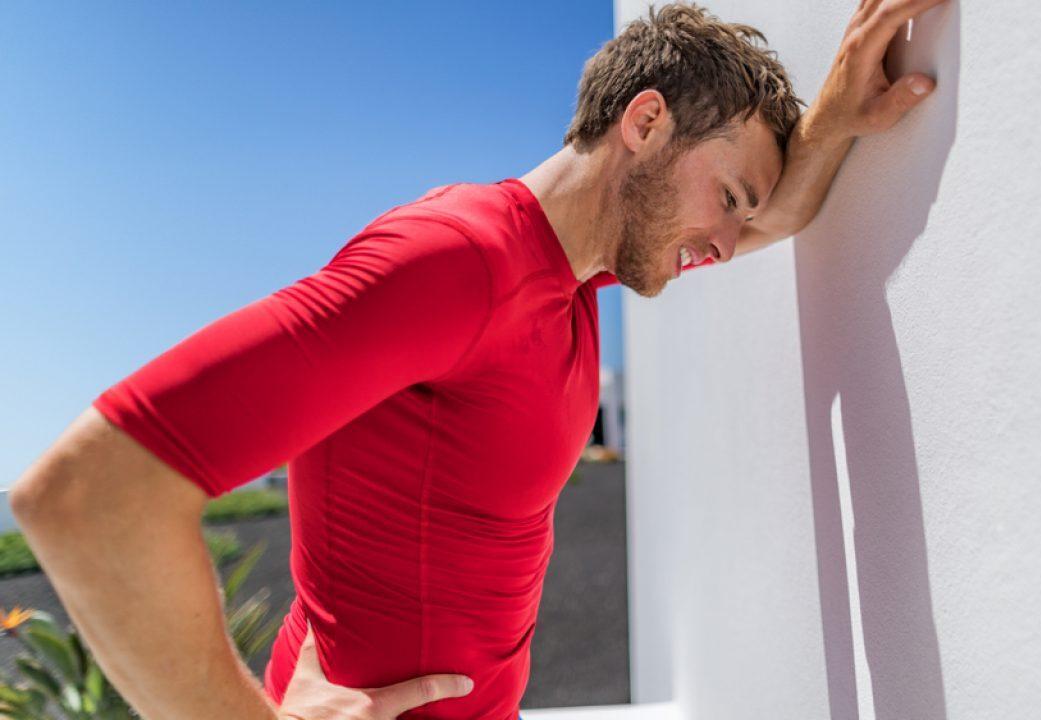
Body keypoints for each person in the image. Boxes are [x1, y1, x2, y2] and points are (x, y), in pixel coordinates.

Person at [8, 1, 945, 718]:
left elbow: (778, 219)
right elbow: (88, 497)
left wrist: (833, 118)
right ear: (646, 122)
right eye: (728, 197)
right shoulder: (458, 262)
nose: (729, 242)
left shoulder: (572, 281)